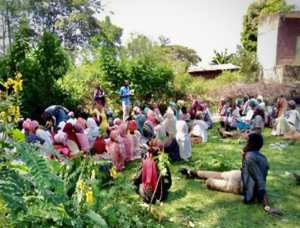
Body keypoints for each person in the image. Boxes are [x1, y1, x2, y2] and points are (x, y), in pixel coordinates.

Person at [180, 133, 282, 216]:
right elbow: (253, 175)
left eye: (247, 141)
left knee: (212, 180)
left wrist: (267, 206)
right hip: (240, 178)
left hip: (240, 184)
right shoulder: (260, 157)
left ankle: (191, 172)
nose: (245, 143)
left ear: (251, 144)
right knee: (215, 177)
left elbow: (260, 182)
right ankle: (191, 173)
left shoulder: (249, 155)